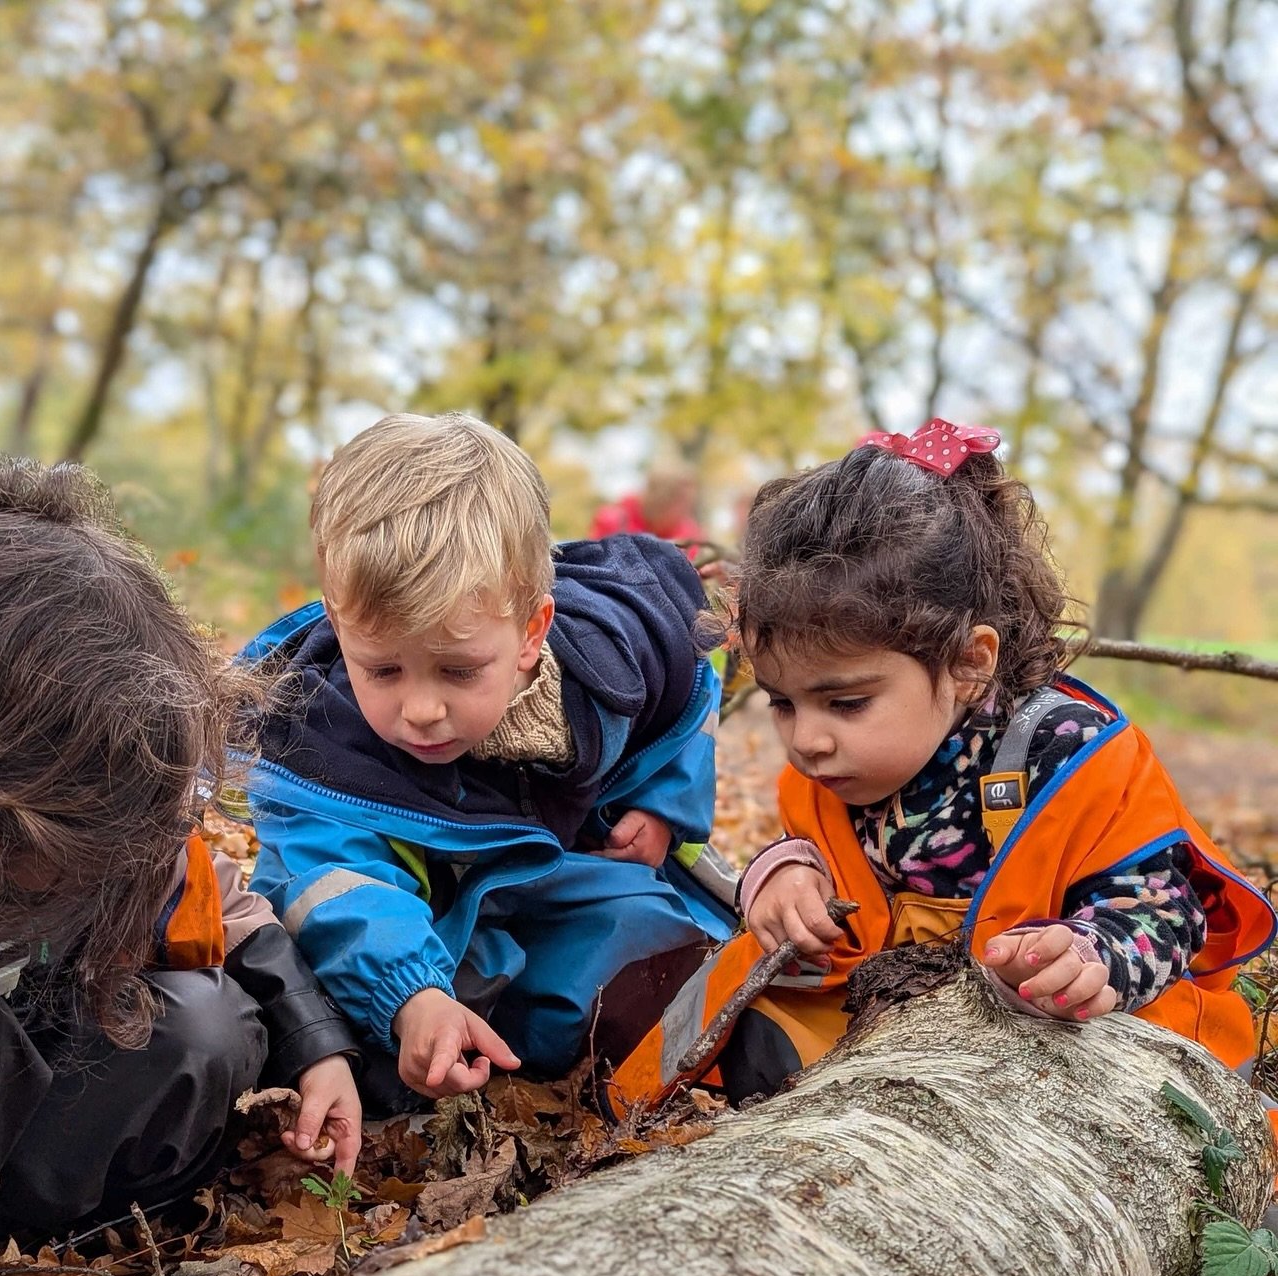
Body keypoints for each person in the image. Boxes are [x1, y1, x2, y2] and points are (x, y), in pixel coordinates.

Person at [0, 458, 361, 1276]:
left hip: (14, 1128)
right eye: (72, 842)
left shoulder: (124, 809)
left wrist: (318, 1050)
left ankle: (14, 1250)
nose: (118, 861)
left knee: (206, 1026)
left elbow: (228, 907)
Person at [623, 418, 1275, 1111]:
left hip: (1057, 1026)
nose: (807, 741)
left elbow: (1165, 907)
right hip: (898, 1011)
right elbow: (817, 848)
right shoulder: (837, 770)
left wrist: (1094, 954)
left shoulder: (1067, 751)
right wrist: (782, 873)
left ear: (969, 663)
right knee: (755, 1024)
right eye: (783, 703)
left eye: (845, 702)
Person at [244, 413, 734, 1116]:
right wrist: (410, 996)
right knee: (374, 1030)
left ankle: (616, 1040)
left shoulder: (613, 661)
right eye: (381, 669)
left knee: (647, 927)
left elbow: (688, 699)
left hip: (555, 884)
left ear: (531, 631)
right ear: (337, 620)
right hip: (414, 927)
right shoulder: (318, 738)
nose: (419, 709)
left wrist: (662, 804)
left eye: (457, 670)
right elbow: (335, 884)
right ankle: (439, 1043)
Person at [589, 462, 703, 548]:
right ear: (661, 501)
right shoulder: (615, 522)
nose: (685, 514)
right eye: (682, 505)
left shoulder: (688, 534)